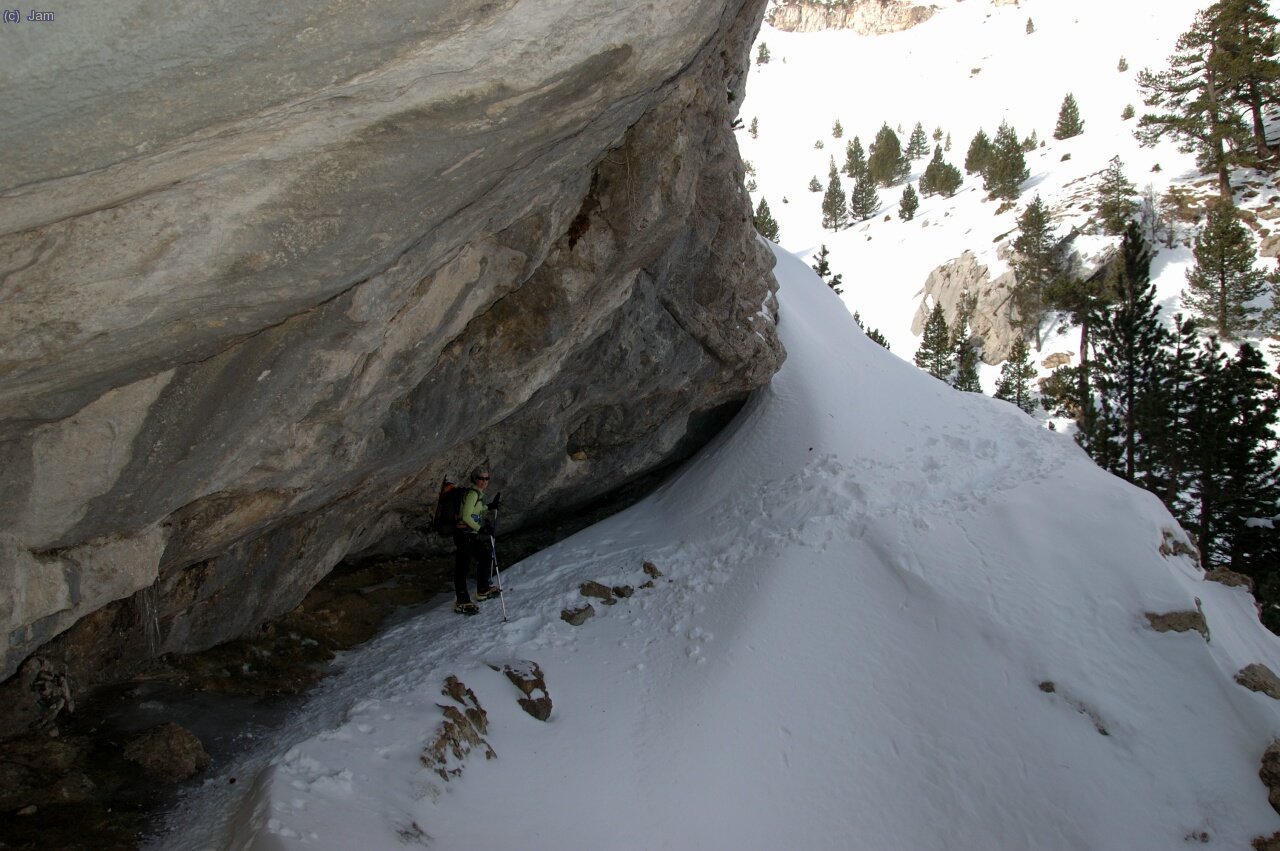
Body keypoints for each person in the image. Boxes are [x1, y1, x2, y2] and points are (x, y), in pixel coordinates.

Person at [453, 466, 499, 614]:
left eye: (486, 478)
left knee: (485, 557)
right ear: (475, 479)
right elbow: (466, 516)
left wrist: (489, 507)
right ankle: (462, 601)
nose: (484, 481)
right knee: (463, 566)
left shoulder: (477, 493)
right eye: (481, 478)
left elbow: (475, 510)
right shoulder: (473, 493)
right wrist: (481, 529)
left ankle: (483, 590)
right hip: (464, 534)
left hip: (470, 535)